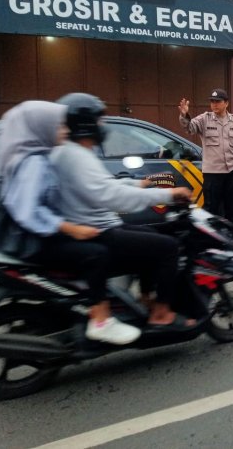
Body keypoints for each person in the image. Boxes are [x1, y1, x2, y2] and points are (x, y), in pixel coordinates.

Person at [51, 93, 196, 336]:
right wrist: (168, 195)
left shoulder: (74, 152)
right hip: (97, 232)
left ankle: (145, 298)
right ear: (85, 123)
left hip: (97, 226)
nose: (103, 126)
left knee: (150, 233)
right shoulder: (75, 156)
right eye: (99, 120)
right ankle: (161, 313)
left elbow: (102, 185)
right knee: (168, 247)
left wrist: (137, 184)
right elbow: (111, 196)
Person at [0, 101, 135, 345]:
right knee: (97, 254)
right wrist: (72, 229)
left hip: (39, 235)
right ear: (40, 128)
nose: (65, 129)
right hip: (36, 240)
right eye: (59, 125)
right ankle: (101, 320)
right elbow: (29, 211)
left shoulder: (37, 155)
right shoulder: (34, 164)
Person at [178, 89, 233, 232]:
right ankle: (212, 240)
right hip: (213, 172)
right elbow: (189, 128)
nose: (214, 104)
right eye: (212, 101)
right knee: (211, 208)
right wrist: (184, 114)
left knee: (232, 206)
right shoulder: (205, 119)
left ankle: (230, 237)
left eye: (218, 101)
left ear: (226, 103)